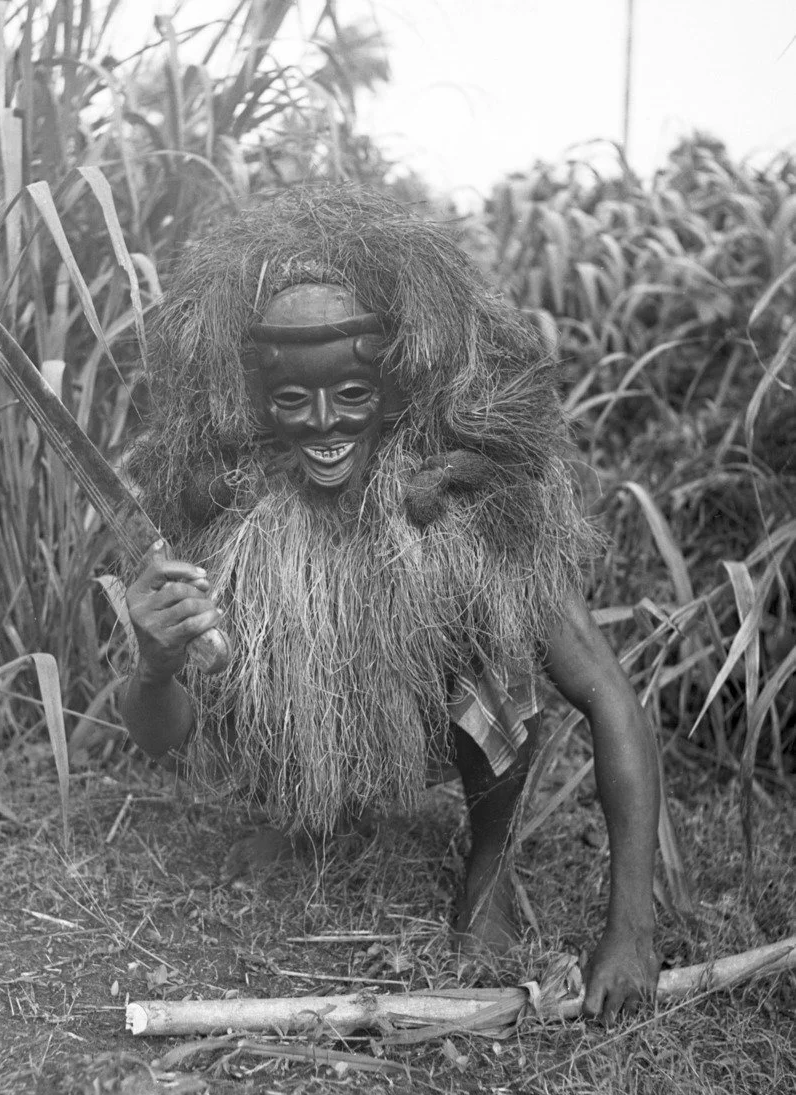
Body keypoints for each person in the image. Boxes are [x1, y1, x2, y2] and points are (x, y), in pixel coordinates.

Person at [118, 186, 660, 1022]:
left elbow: (609, 698)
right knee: (243, 646)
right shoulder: (236, 520)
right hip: (321, 707)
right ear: (256, 404)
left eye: (352, 396)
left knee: (502, 668)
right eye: (293, 400)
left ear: (399, 387)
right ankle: (308, 815)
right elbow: (165, 737)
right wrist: (154, 665)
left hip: (437, 704)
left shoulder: (469, 516)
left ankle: (488, 863)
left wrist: (632, 929)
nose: (325, 425)